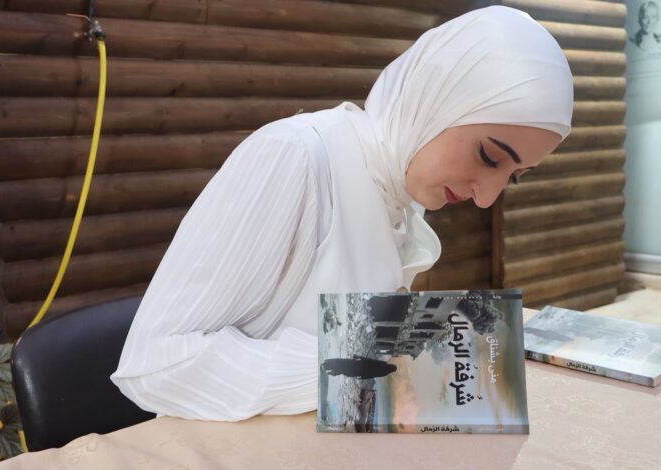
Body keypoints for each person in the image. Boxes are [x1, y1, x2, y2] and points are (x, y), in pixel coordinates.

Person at [110, 6, 573, 421]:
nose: (487, 197)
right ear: (436, 100)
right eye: (489, 157)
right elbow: (155, 362)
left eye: (514, 176)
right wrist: (367, 369)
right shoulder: (294, 157)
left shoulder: (399, 187)